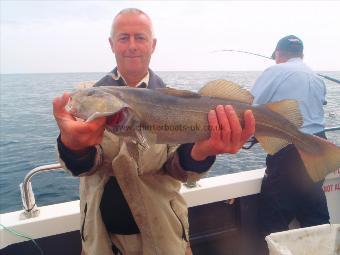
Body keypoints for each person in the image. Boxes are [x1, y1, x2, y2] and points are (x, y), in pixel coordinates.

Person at [53, 8, 255, 255]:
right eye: (123, 37)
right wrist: (75, 148)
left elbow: (177, 167)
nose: (132, 45)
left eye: (140, 37)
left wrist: (203, 151)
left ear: (153, 44)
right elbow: (82, 166)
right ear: (111, 44)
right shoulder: (89, 96)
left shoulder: (174, 100)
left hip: (165, 239)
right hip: (100, 241)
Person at [251, 35, 330, 254]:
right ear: (301, 55)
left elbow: (251, 106)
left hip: (290, 149)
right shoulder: (316, 77)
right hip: (318, 146)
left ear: (278, 54)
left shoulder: (274, 71)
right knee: (316, 216)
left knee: (273, 222)